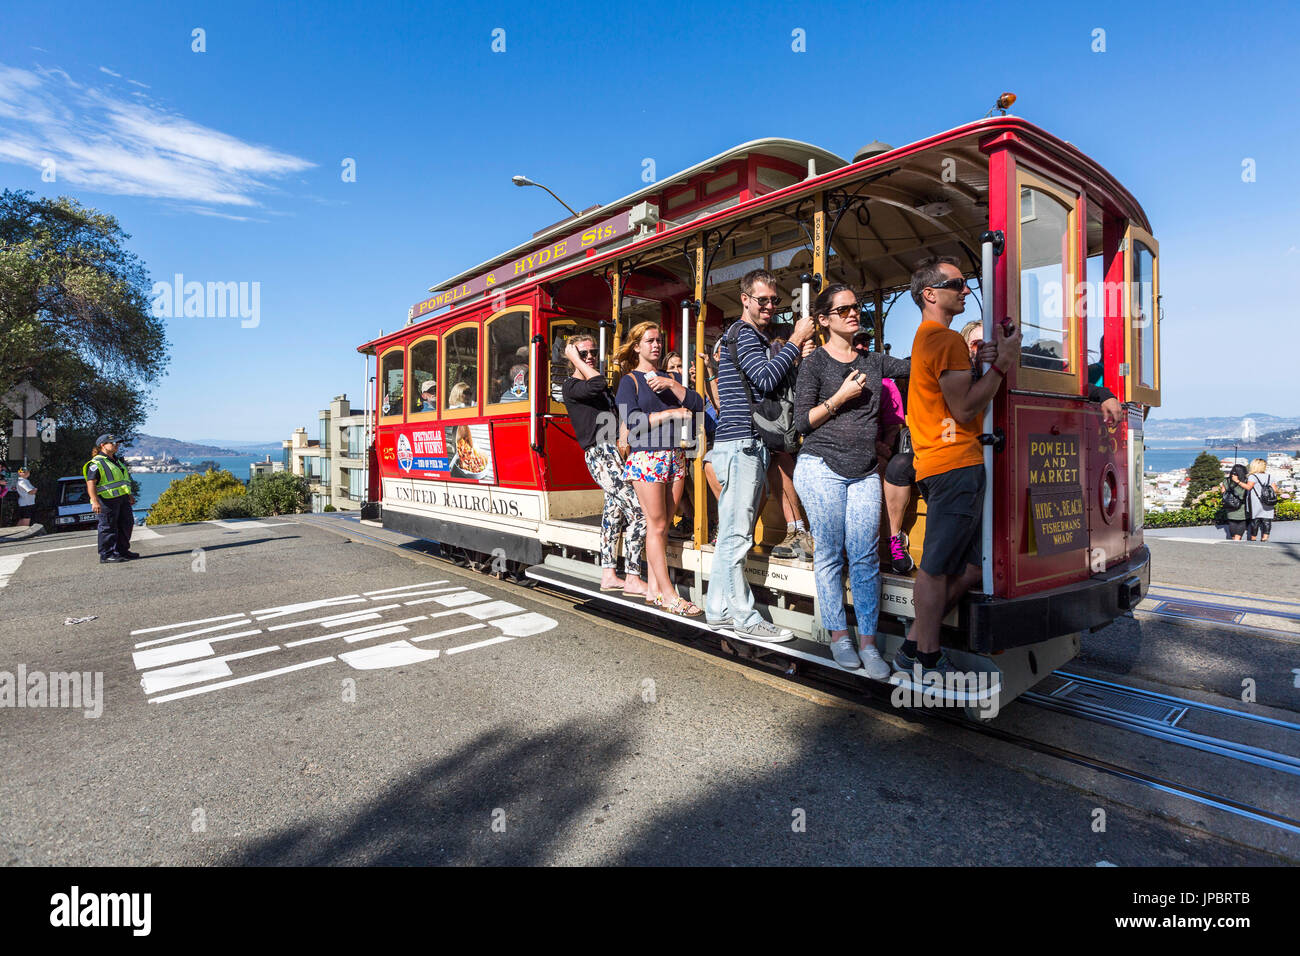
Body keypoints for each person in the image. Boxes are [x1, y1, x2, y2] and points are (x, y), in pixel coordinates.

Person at [895, 257, 1020, 678]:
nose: (966, 291)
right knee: (935, 568)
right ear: (930, 294)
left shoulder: (930, 339)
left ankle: (914, 641)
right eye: (957, 284)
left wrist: (977, 361)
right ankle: (927, 656)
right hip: (955, 465)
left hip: (939, 464)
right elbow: (965, 407)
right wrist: (1003, 362)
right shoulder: (944, 339)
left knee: (970, 566)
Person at [793, 285, 910, 677]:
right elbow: (801, 424)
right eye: (842, 310)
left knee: (865, 557)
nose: (852, 314)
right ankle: (840, 636)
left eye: (855, 308)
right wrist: (841, 397)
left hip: (863, 472)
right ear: (824, 320)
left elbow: (916, 365)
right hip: (820, 465)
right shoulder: (815, 365)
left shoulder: (874, 362)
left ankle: (870, 644)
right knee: (830, 553)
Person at [705, 269, 816, 641]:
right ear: (745, 300)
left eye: (774, 301)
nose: (769, 306)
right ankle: (745, 619)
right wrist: (796, 341)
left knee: (727, 539)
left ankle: (718, 610)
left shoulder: (741, 336)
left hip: (735, 444)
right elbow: (766, 379)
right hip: (742, 445)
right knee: (737, 538)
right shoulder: (746, 334)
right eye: (763, 300)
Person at [616, 321, 705, 617]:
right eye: (650, 341)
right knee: (655, 525)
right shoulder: (630, 381)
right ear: (637, 345)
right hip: (648, 458)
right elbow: (632, 423)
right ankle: (669, 595)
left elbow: (696, 404)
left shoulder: (669, 377)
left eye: (659, 340)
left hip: (674, 456)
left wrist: (673, 384)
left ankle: (654, 590)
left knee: (664, 525)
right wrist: (669, 413)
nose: (656, 345)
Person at [561, 336, 648, 595]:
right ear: (572, 357)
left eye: (593, 352)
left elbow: (618, 410)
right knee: (639, 513)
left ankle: (609, 574)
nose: (589, 357)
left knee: (613, 514)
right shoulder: (573, 385)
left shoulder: (593, 385)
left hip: (615, 451)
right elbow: (598, 382)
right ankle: (633, 576)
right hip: (601, 454)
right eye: (583, 353)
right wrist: (574, 358)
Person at [84, 434, 139, 563]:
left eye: (117, 443)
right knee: (108, 527)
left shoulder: (116, 461)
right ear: (103, 445)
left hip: (122, 498)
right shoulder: (96, 463)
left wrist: (129, 495)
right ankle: (106, 554)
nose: (116, 445)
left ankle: (122, 551)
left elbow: (123, 481)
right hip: (106, 500)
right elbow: (90, 483)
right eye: (113, 443)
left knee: (126, 524)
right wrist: (95, 501)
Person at [1244, 458, 1276, 542]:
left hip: (1255, 501)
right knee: (1267, 520)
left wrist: (1238, 482)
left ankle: (1253, 538)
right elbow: (1275, 489)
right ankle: (1265, 538)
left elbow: (1248, 487)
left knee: (1255, 520)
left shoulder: (1252, 476)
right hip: (1268, 501)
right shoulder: (1270, 476)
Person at [1221, 463, 1252, 541]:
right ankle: (1237, 539)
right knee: (1242, 522)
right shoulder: (1245, 481)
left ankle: (1234, 538)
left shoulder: (1226, 480)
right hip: (1242, 506)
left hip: (1230, 506)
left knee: (1232, 522)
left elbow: (1223, 492)